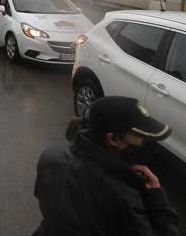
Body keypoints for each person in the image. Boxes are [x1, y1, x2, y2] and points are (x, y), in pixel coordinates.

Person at [33, 96, 179, 235]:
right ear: (113, 138)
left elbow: (45, 198)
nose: (144, 142)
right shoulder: (123, 195)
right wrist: (157, 197)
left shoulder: (52, 152)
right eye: (142, 138)